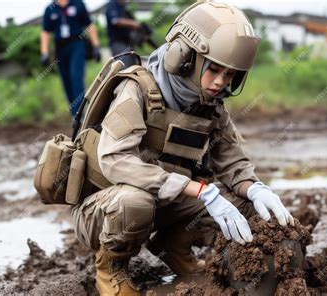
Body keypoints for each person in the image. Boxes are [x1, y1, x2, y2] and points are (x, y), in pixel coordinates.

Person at [71, 2, 295, 295]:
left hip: (165, 202)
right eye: (214, 69)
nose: (220, 82)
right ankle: (111, 268)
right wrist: (197, 190)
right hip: (105, 209)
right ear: (183, 57)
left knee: (241, 206)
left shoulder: (210, 104)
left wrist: (254, 188)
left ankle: (173, 245)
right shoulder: (136, 89)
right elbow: (116, 161)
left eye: (230, 75)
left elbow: (232, 164)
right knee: (136, 201)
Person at [40, 0, 101, 116]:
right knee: (66, 81)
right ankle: (75, 115)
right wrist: (44, 52)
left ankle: (81, 114)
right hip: (60, 48)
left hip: (77, 45)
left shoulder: (78, 4)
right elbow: (45, 32)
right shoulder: (50, 9)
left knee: (76, 77)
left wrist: (96, 46)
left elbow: (89, 24)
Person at [106, 0, 142, 67]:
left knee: (134, 68)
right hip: (118, 42)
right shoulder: (112, 4)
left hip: (128, 43)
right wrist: (132, 23)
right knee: (123, 67)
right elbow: (115, 21)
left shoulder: (123, 7)